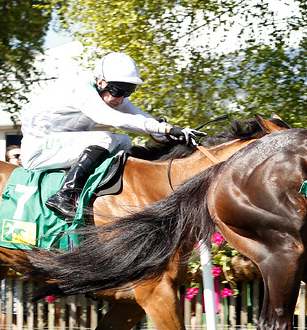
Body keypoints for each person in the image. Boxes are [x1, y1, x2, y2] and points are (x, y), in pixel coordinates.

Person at [18, 52, 206, 219]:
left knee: (124, 141)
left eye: (128, 91)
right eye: (118, 90)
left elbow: (139, 116)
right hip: (39, 148)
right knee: (105, 138)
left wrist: (172, 131)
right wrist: (163, 129)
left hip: (59, 145)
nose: (122, 98)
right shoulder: (81, 89)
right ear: (100, 81)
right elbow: (112, 118)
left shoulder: (109, 92)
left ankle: (108, 195)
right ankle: (64, 195)